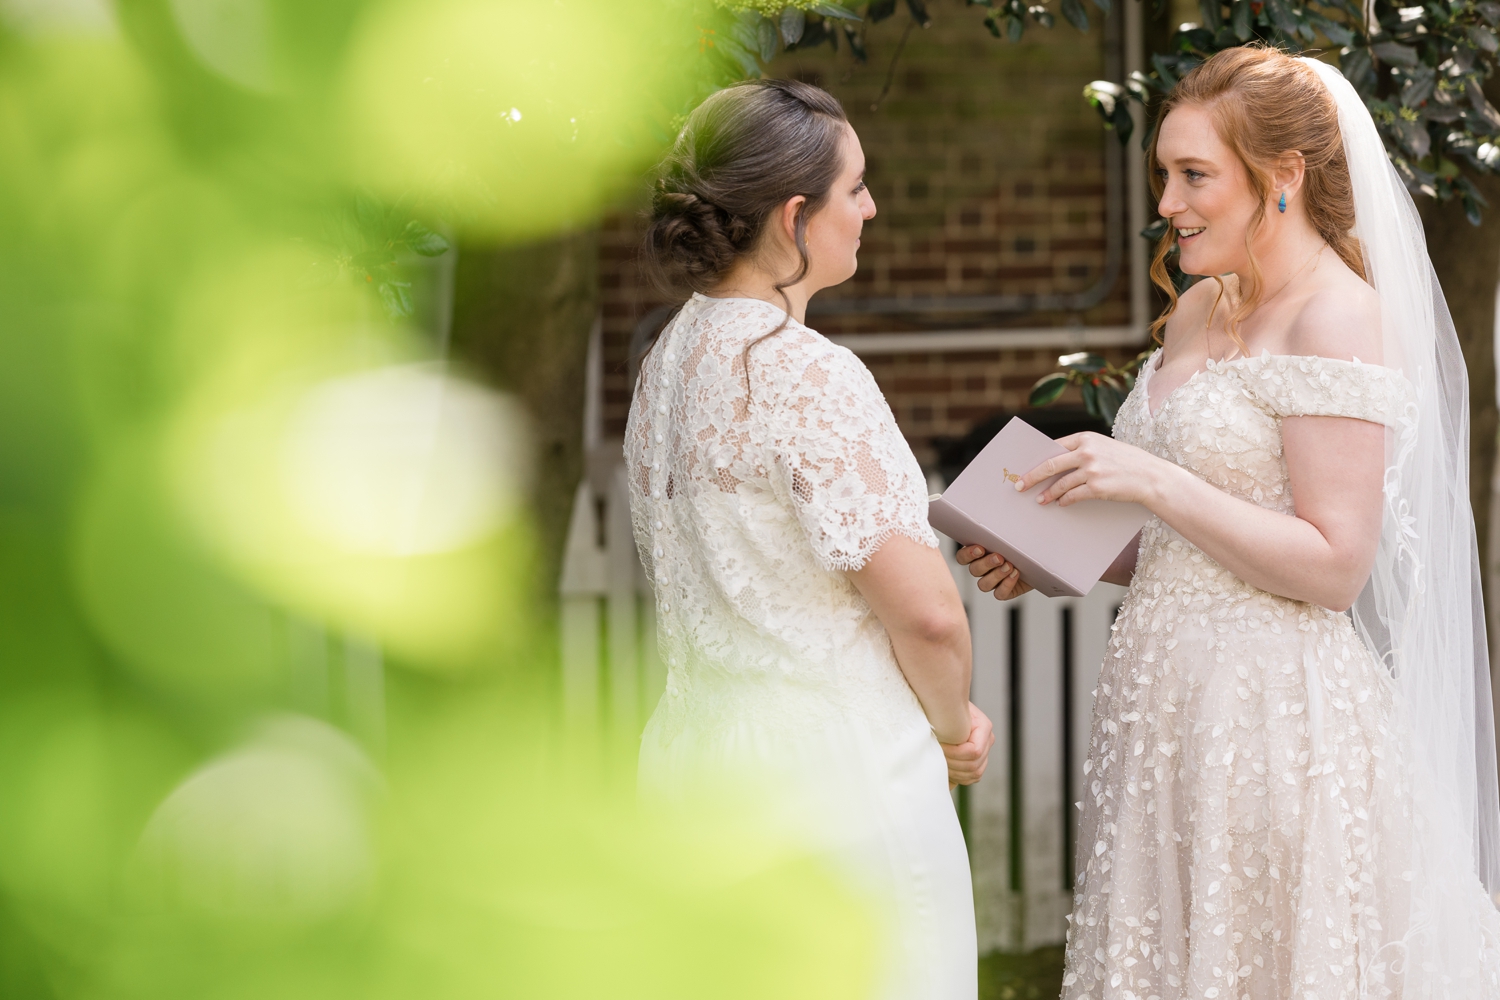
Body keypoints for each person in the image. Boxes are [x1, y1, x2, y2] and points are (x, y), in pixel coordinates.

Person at [960, 46, 1500, 997]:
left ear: (1282, 178)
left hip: (1275, 727)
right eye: (1164, 174)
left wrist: (1154, 483)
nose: (1167, 201)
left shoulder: (1336, 317)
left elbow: (1334, 565)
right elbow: (1196, 544)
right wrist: (1055, 549)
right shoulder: (1200, 307)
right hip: (1161, 710)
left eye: (1194, 175)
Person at [625, 78, 1004, 1000]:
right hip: (832, 782)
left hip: (691, 763)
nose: (871, 208)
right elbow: (929, 617)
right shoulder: (801, 371)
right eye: (857, 188)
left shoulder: (665, 364)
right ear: (796, 216)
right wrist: (953, 728)